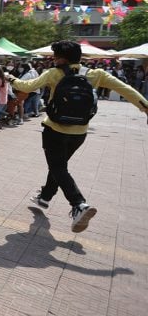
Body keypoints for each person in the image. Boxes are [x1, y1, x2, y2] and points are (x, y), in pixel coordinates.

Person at [8, 40, 148, 232]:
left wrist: (10, 78)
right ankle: (45, 197)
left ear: (61, 58)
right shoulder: (95, 74)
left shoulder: (54, 73)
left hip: (54, 130)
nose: (53, 60)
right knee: (59, 167)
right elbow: (126, 89)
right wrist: (145, 108)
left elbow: (27, 86)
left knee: (58, 167)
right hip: (79, 132)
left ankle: (78, 204)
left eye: (55, 57)